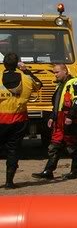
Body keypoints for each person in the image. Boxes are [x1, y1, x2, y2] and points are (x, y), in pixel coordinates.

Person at [33, 63, 77, 180]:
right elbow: (57, 105)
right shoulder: (60, 86)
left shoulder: (76, 83)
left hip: (71, 120)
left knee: (72, 146)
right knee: (54, 145)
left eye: (57, 72)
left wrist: (70, 116)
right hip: (59, 120)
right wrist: (52, 117)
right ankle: (48, 171)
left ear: (65, 71)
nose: (55, 75)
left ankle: (74, 171)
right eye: (54, 72)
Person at [1, 53, 42, 188]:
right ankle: (9, 182)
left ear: (4, 64)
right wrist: (25, 70)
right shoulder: (26, 78)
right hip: (19, 120)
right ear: (18, 63)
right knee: (13, 150)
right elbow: (39, 84)